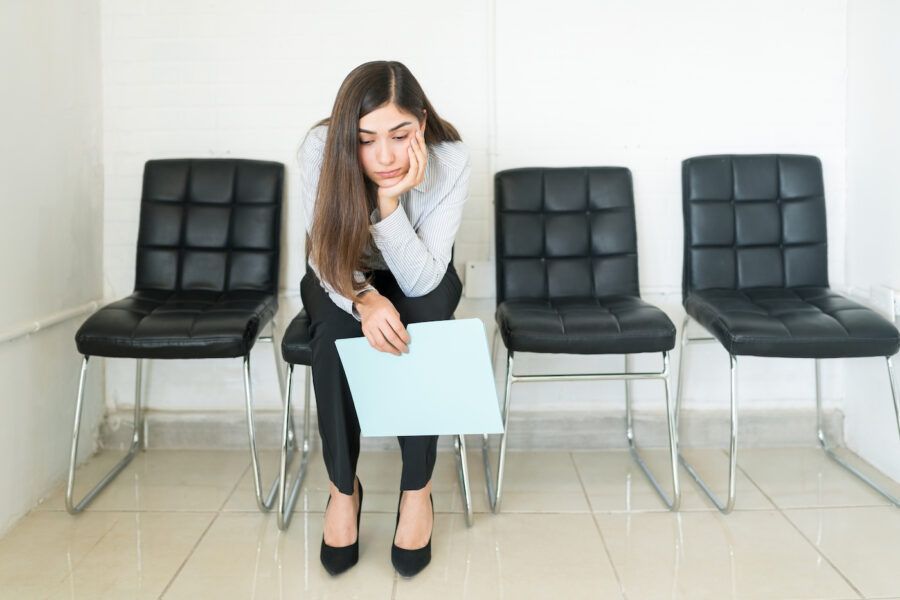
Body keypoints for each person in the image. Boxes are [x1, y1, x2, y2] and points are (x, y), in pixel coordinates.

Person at [296, 60, 470, 578]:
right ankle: (342, 489)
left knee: (427, 320)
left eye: (400, 135)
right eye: (367, 140)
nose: (386, 156)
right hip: (338, 270)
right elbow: (324, 251)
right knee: (332, 334)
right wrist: (365, 300)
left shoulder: (450, 158)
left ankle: (418, 489)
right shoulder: (317, 149)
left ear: (421, 120)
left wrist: (388, 204)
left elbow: (421, 281)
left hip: (419, 269)